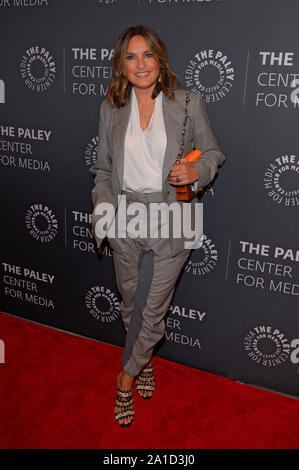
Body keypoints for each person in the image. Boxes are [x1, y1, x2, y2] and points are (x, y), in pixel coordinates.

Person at [91, 25, 225, 428]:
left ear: (160, 59)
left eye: (147, 55)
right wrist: (104, 214)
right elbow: (102, 170)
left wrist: (195, 170)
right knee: (131, 304)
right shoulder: (110, 108)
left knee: (153, 308)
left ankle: (126, 378)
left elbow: (215, 153)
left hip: (173, 216)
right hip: (125, 216)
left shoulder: (186, 103)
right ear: (122, 66)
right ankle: (144, 361)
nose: (140, 64)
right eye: (131, 57)